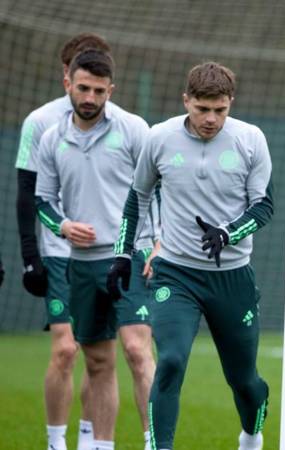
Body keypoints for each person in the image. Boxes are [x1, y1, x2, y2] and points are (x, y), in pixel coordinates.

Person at [107, 61, 273, 450]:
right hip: (175, 274)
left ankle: (251, 436)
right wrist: (122, 254)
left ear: (231, 103)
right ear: (186, 101)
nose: (211, 119)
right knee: (170, 362)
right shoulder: (159, 138)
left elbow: (263, 206)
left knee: (244, 380)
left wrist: (228, 233)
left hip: (232, 277)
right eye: (202, 109)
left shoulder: (250, 139)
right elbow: (137, 198)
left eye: (220, 109)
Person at [34, 49, 157, 450]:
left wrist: (160, 241)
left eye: (99, 91)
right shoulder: (51, 138)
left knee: (138, 352)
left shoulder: (135, 129)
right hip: (82, 264)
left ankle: (156, 442)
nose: (90, 97)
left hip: (130, 256)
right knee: (99, 362)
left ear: (111, 90)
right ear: (68, 83)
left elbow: (163, 188)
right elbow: (43, 201)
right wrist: (64, 226)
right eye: (83, 88)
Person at [16, 33, 116, 450]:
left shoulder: (122, 124)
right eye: (82, 75)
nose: (90, 88)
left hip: (105, 256)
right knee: (64, 350)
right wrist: (30, 257)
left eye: (99, 78)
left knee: (100, 357)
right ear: (67, 76)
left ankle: (89, 440)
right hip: (59, 255)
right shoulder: (40, 123)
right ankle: (55, 442)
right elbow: (29, 194)